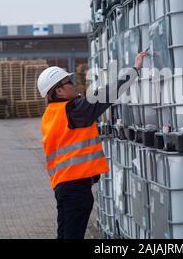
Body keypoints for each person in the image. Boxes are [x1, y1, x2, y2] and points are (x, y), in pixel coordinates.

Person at [37, 51, 148, 239]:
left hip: (63, 186)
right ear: (59, 91)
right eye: (68, 82)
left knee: (64, 235)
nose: (74, 84)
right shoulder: (73, 110)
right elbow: (106, 93)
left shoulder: (51, 113)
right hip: (76, 188)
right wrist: (135, 69)